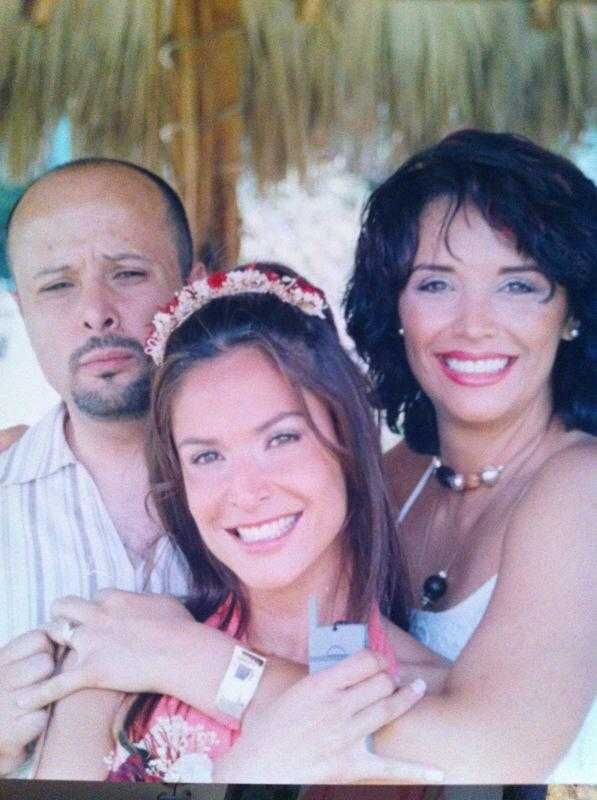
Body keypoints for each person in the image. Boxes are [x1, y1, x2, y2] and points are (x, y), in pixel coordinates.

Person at [35, 264, 446, 784]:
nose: (246, 493)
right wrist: (244, 772)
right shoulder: (115, 662)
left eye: (281, 438)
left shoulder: (435, 701)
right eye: (207, 457)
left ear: (349, 436)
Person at [343, 129, 596, 782]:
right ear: (395, 307)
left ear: (572, 312)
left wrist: (209, 670)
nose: (474, 324)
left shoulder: (583, 483)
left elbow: (500, 749)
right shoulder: (393, 476)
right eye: (435, 284)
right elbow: (307, 636)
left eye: (519, 286)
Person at [0, 158, 205, 775]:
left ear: (194, 286)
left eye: (128, 273)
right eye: (57, 286)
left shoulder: (290, 494)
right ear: (21, 309)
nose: (96, 311)